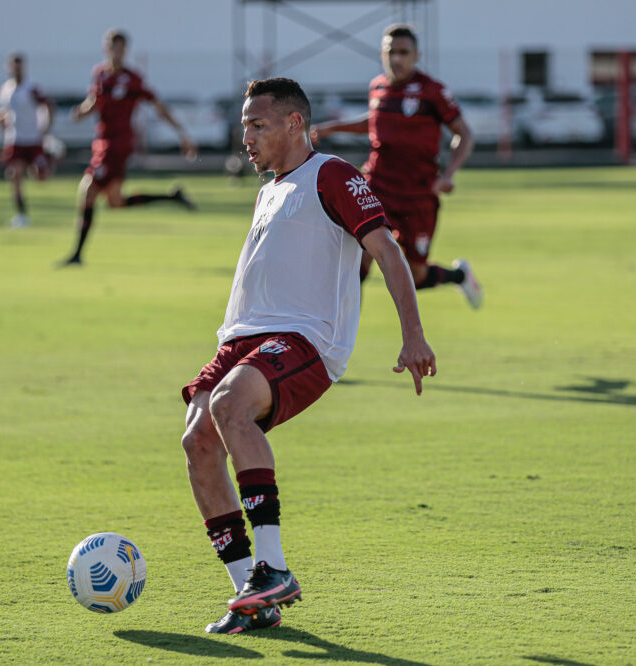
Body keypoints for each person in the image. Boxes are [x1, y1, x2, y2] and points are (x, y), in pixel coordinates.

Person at [181, 78, 436, 634]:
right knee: (198, 440)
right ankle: (253, 596)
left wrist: (412, 333)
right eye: (244, 125)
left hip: (304, 339)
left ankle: (273, 567)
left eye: (258, 125)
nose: (245, 136)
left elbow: (388, 251)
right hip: (239, 340)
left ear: (295, 123)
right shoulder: (270, 188)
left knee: (229, 409)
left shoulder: (334, 174)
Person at [311, 24, 483, 309]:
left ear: (416, 55)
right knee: (358, 262)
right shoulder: (377, 86)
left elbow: (464, 134)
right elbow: (376, 121)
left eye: (404, 52)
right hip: (376, 188)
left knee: (416, 275)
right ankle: (335, 337)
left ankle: (459, 275)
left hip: (417, 196)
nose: (397, 59)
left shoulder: (432, 92)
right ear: (382, 54)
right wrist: (332, 128)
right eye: (391, 52)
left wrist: (449, 174)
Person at [60, 29, 198, 266]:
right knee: (116, 202)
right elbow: (93, 102)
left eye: (121, 48)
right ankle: (171, 197)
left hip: (118, 145)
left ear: (125, 50)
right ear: (106, 49)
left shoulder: (132, 79)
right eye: (113, 47)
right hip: (101, 143)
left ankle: (77, 255)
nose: (117, 52)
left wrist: (181, 132)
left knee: (88, 191)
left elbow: (157, 105)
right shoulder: (100, 74)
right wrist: (81, 111)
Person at [0, 52, 54, 228]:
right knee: (14, 175)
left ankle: (45, 160)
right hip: (15, 139)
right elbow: (5, 111)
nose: (16, 69)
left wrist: (45, 130)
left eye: (19, 66)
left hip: (33, 139)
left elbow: (49, 106)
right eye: (13, 66)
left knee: (40, 177)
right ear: (8, 68)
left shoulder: (32, 88)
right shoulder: (5, 89)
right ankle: (21, 214)